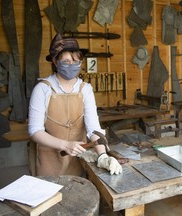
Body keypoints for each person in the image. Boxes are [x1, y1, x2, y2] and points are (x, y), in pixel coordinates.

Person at [28, 33, 122, 176]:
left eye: (76, 61)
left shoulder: (85, 89)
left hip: (78, 156)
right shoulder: (42, 89)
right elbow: (35, 131)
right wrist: (65, 145)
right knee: (51, 194)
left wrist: (102, 156)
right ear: (55, 61)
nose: (71, 65)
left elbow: (93, 128)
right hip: (49, 156)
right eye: (66, 61)